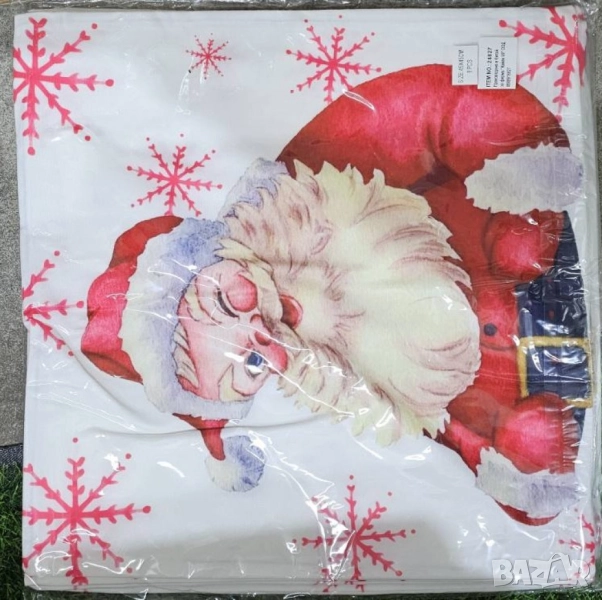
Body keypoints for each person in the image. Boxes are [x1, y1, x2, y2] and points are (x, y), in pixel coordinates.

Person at [82, 65, 589, 525]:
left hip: (529, 236)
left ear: (211, 252)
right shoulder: (334, 377)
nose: (260, 329)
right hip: (537, 378)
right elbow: (432, 428)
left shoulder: (302, 187)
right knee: (532, 443)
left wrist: (517, 171)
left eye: (228, 300)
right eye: (251, 362)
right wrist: (506, 472)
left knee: (523, 245)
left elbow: (432, 107)